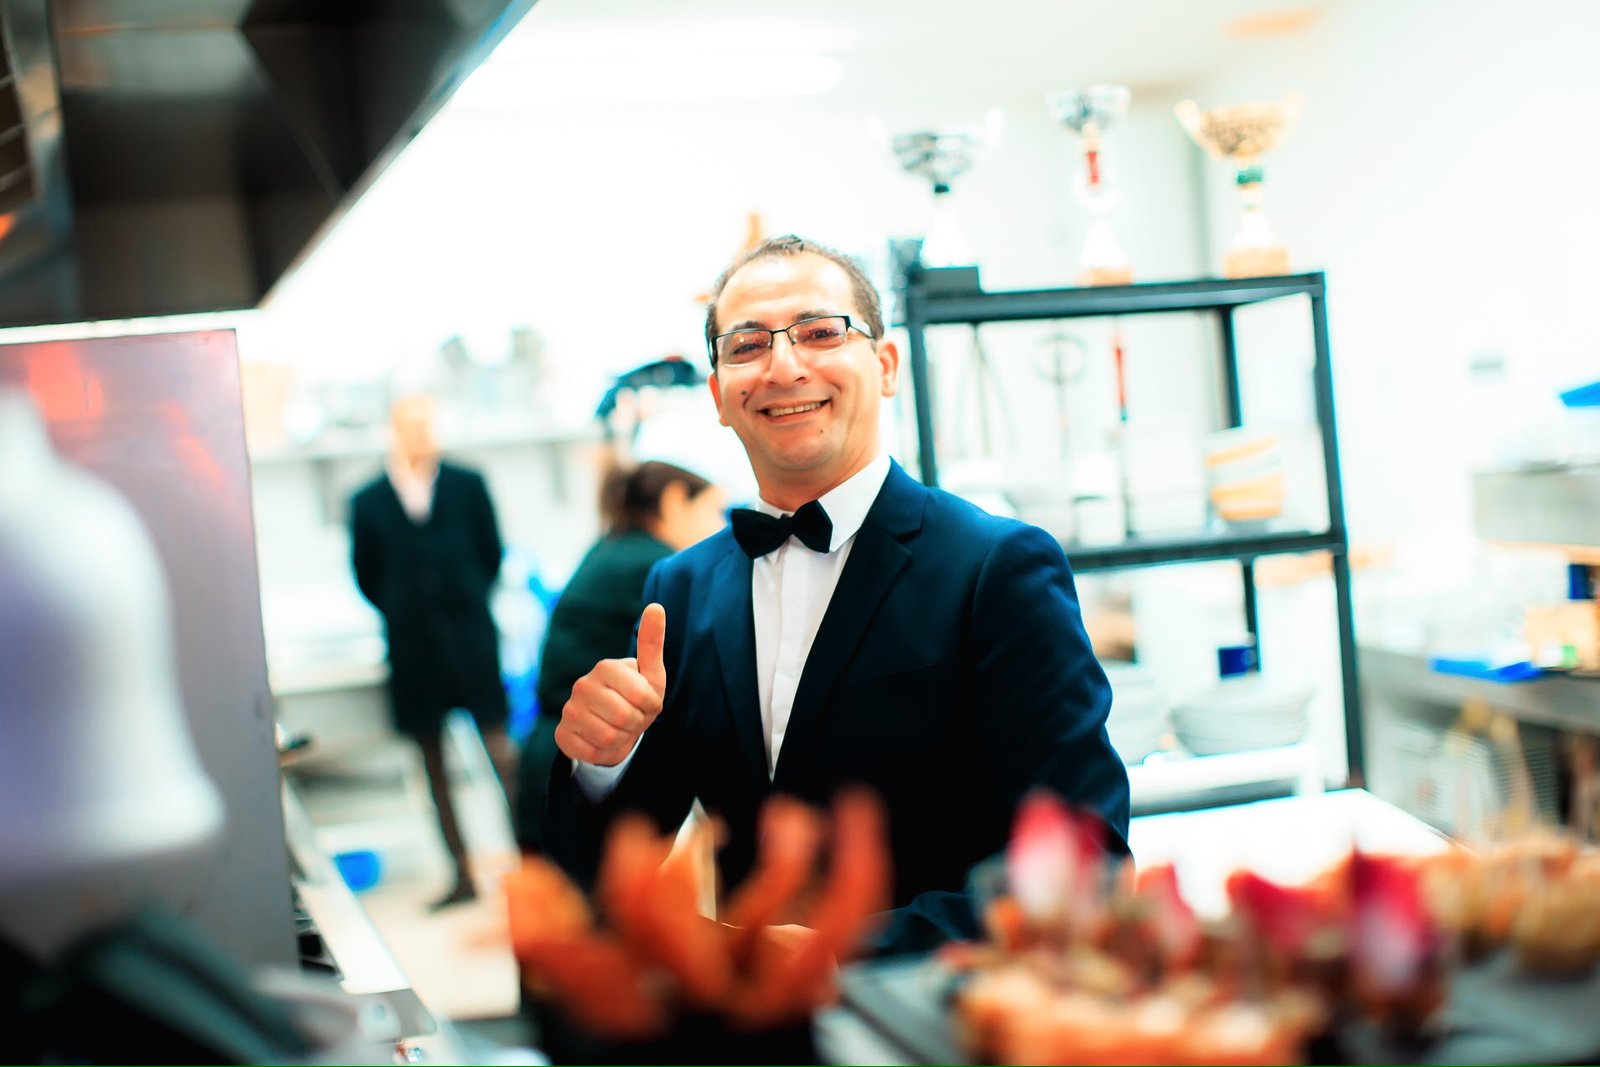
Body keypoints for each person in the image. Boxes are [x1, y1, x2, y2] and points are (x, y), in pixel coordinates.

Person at [543, 236, 1130, 955]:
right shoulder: (682, 586)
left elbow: (1082, 867)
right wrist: (602, 764)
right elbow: (605, 868)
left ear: (884, 367)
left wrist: (841, 953)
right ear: (720, 395)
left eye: (821, 332)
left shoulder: (995, 566)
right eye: (748, 344)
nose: (784, 366)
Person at [350, 391, 515, 910]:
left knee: (501, 756)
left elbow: (491, 554)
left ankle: (532, 862)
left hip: (471, 641)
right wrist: (406, 609)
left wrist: (462, 599)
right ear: (394, 432)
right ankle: (462, 873)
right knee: (433, 767)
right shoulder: (369, 501)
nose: (422, 435)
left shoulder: (468, 486)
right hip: (412, 649)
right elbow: (367, 576)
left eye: (429, 425)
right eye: (411, 426)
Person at [514, 460, 728, 853]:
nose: (721, 528)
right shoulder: (655, 567)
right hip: (580, 764)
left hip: (557, 760)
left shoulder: (614, 547)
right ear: (676, 500)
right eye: (715, 511)